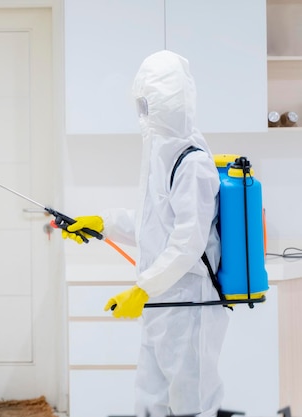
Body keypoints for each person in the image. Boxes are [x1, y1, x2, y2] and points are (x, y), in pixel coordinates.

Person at [62, 50, 229, 417]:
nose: (142, 112)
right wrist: (103, 224)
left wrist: (144, 288)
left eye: (147, 103)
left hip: (189, 303)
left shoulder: (193, 162)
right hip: (162, 300)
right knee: (151, 402)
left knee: (191, 405)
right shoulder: (160, 152)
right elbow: (154, 224)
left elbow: (188, 242)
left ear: (167, 103)